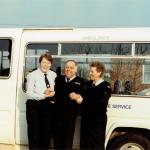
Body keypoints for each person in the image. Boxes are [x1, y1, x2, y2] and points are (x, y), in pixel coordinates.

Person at [70, 61, 111, 150]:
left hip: (97, 123)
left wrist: (82, 101)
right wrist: (77, 96)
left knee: (96, 145)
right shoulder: (88, 84)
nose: (90, 73)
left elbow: (100, 105)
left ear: (99, 72)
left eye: (92, 71)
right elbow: (84, 98)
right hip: (86, 121)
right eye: (90, 71)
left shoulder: (106, 86)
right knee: (84, 145)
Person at [26, 53, 56, 150]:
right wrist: (44, 95)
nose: (45, 65)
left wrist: (52, 93)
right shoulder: (32, 75)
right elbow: (29, 93)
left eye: (48, 63)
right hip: (34, 106)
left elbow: (54, 89)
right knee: (34, 134)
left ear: (51, 64)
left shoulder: (53, 75)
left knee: (46, 134)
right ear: (40, 63)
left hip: (48, 107)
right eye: (43, 62)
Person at [54, 60, 85, 149]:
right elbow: (53, 94)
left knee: (67, 144)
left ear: (75, 69)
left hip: (70, 119)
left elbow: (84, 100)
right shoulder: (58, 79)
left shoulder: (81, 81)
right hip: (56, 117)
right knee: (57, 143)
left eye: (71, 68)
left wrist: (79, 97)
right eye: (67, 67)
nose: (68, 69)